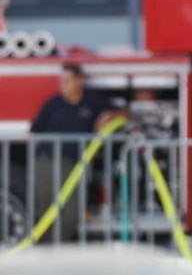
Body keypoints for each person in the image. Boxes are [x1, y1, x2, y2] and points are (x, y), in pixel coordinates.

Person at [30, 63, 129, 242]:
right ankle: (45, 249)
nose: (63, 86)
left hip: (75, 166)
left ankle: (52, 245)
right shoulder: (52, 105)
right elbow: (34, 132)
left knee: (72, 212)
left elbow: (126, 113)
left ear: (80, 81)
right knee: (44, 210)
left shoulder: (93, 102)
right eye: (61, 81)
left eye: (67, 81)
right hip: (47, 163)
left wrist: (109, 117)